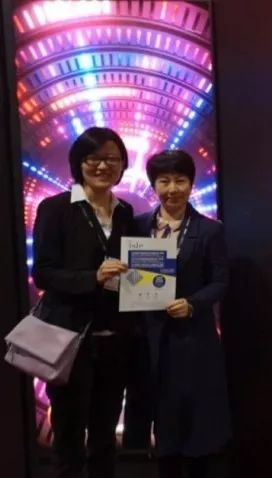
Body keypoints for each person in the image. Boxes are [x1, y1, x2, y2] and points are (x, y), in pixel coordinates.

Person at [32, 127, 136, 478]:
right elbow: (43, 273)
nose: (103, 166)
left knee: (105, 439)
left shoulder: (125, 212)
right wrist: (92, 277)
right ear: (78, 163)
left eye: (112, 159)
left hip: (114, 340)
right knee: (69, 439)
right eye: (94, 158)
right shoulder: (56, 208)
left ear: (122, 165)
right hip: (69, 340)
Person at [135, 150, 231, 478]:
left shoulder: (209, 230)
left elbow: (220, 282)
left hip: (193, 340)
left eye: (180, 180)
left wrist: (192, 303)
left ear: (191, 184)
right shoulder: (137, 226)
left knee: (197, 421)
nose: (172, 189)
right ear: (153, 185)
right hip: (150, 339)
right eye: (164, 181)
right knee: (162, 421)